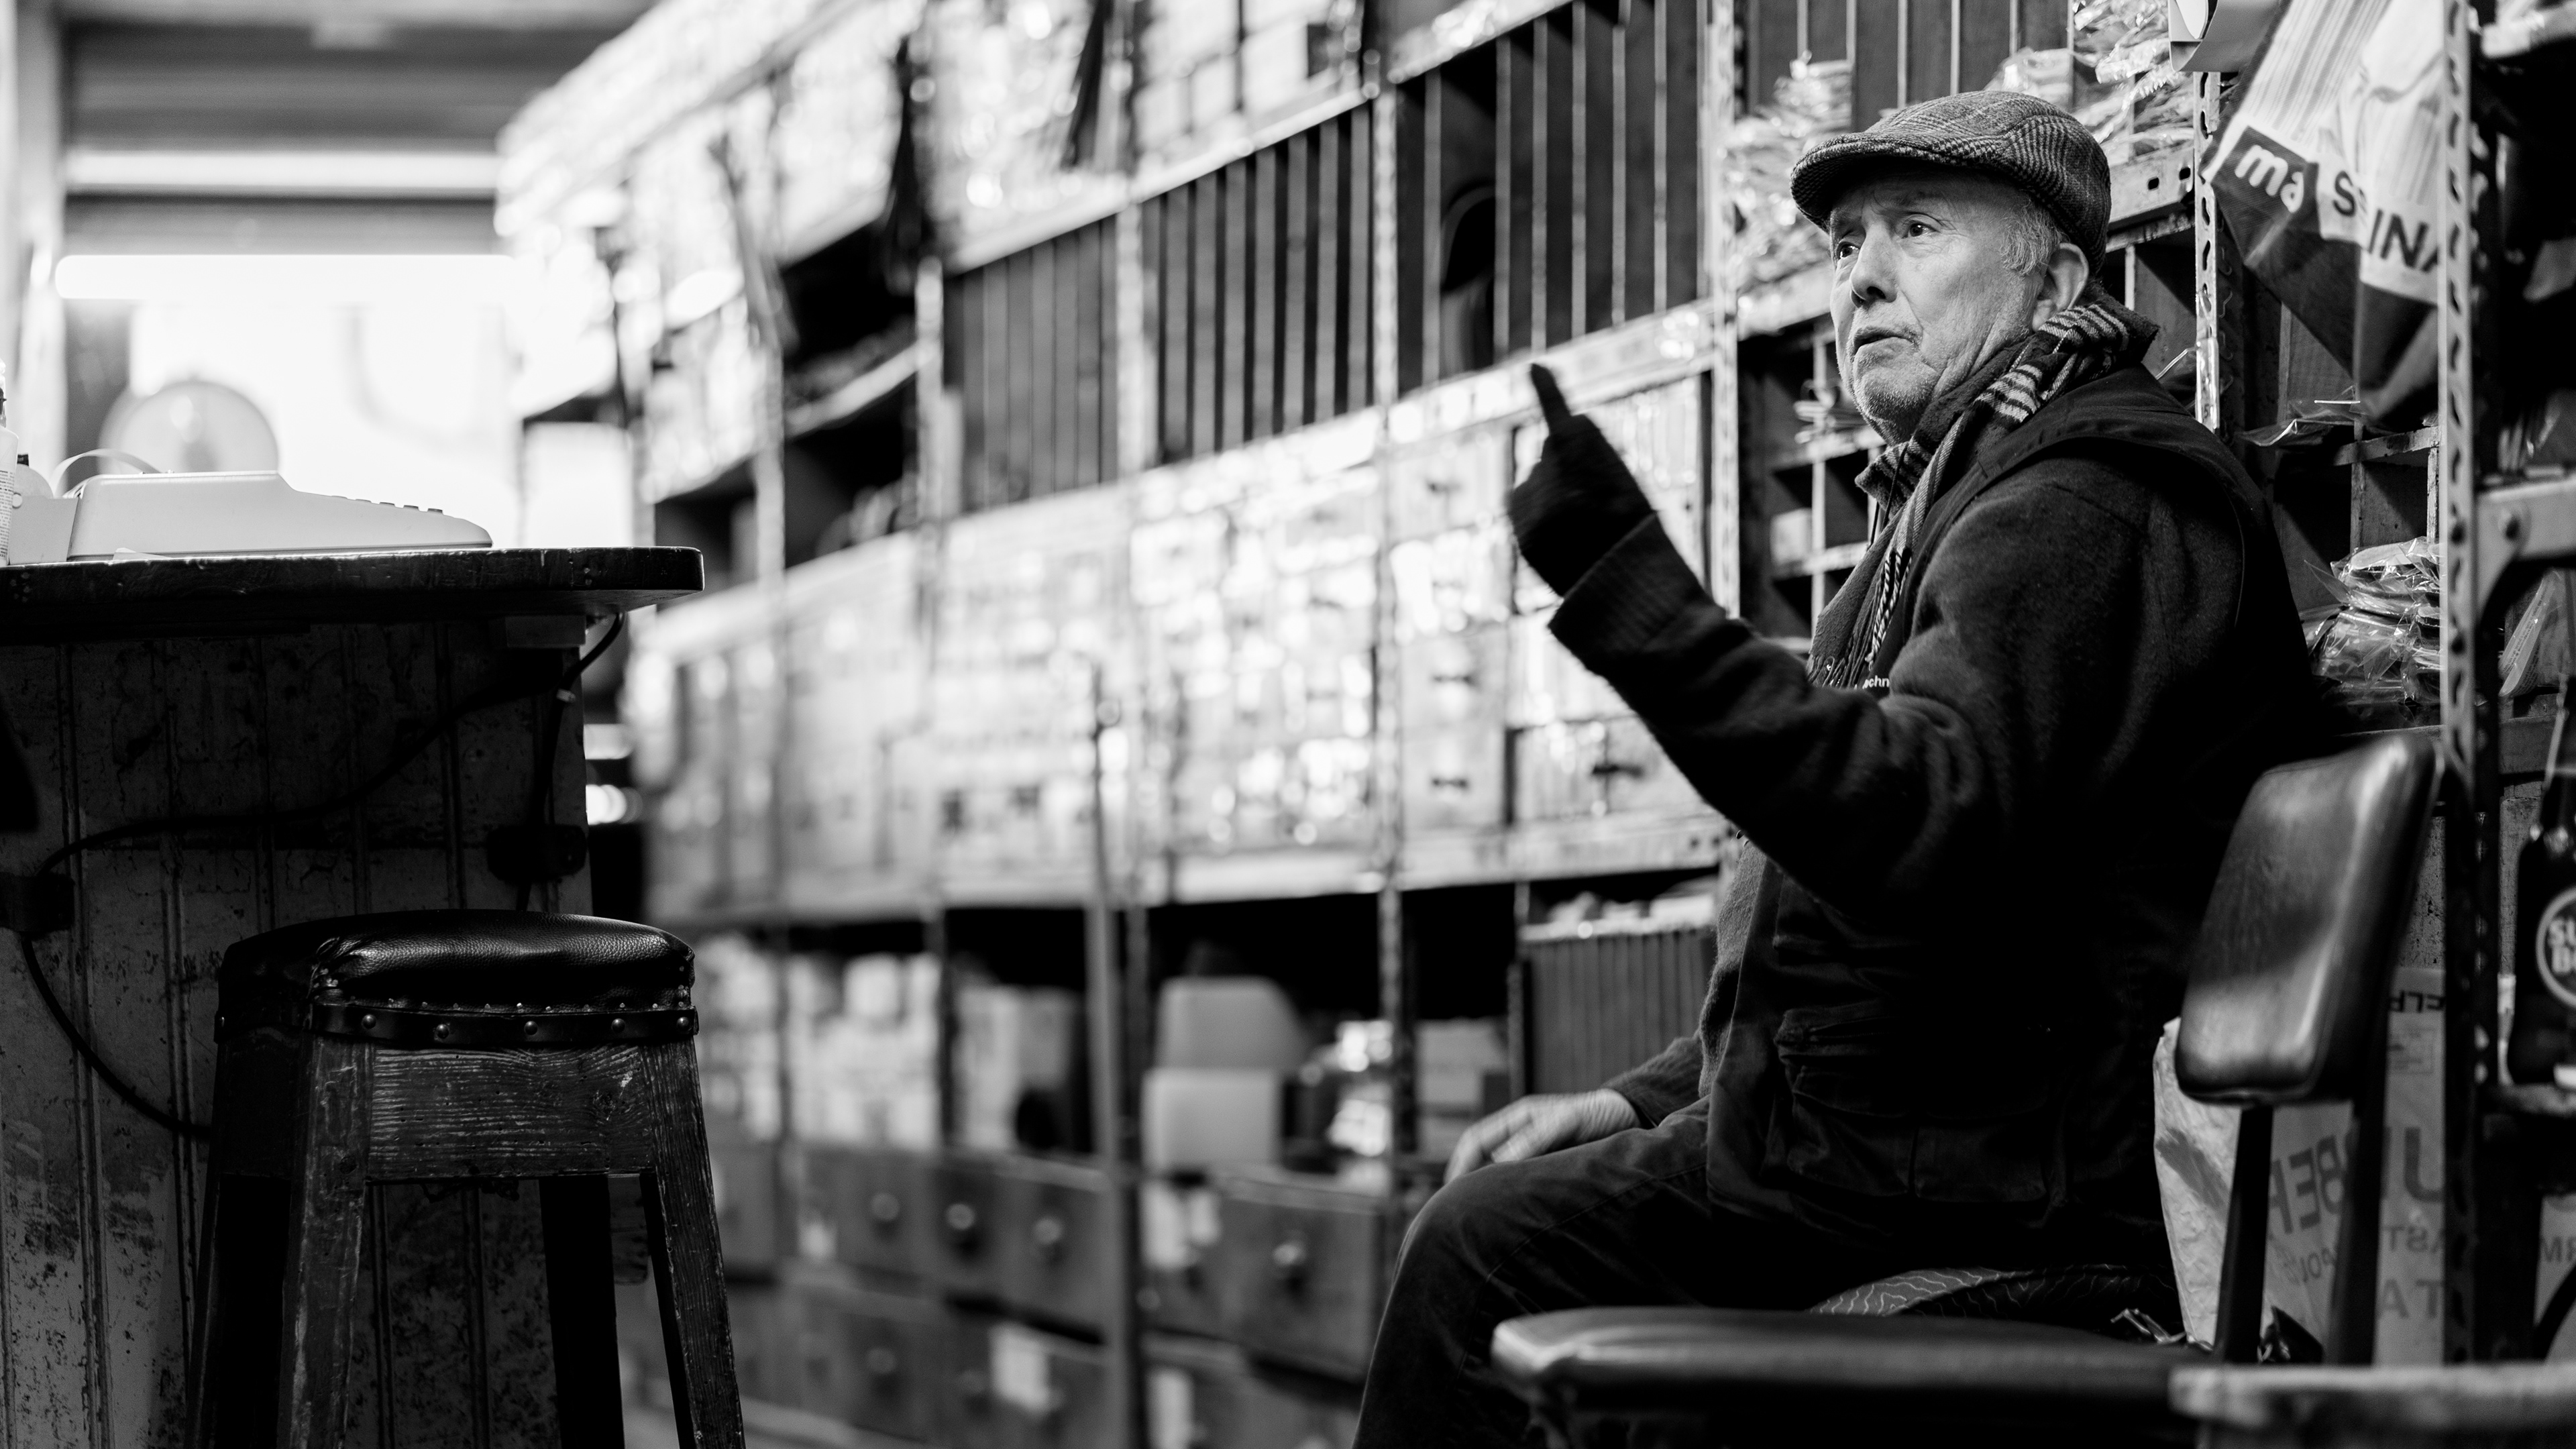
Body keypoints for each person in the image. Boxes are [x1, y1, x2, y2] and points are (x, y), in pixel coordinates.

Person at [1352, 89, 2315, 1447]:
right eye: (1849, 242)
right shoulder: (1951, 504)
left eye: (1915, 230)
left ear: (2060, 281)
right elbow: (1831, 939)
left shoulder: (2084, 501)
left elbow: (1918, 825)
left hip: (1995, 1177)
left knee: (1480, 1253)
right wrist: (1640, 1098)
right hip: (1905, 1146)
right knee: (1508, 1242)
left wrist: (1638, 594)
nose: (1860, 276)